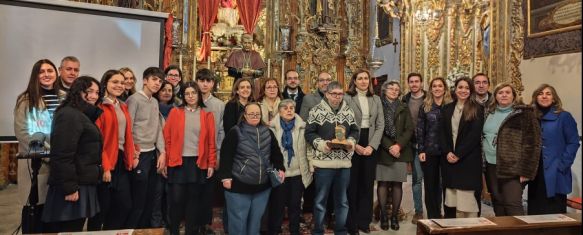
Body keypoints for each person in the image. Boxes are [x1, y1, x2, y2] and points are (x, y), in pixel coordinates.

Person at [41, 76, 102, 232]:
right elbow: (62, 154)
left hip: (81, 182)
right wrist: (69, 188)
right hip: (73, 186)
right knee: (68, 230)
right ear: (78, 91)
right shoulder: (69, 115)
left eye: (97, 92)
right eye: (89, 91)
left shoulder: (80, 114)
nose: (94, 96)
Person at [218, 102, 285, 235]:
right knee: (238, 222)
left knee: (255, 222)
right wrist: (225, 177)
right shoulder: (235, 132)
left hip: (262, 187)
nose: (255, 116)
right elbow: (226, 156)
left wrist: (280, 168)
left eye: (257, 114)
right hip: (238, 185)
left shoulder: (268, 132)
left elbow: (276, 153)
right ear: (244, 115)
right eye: (251, 114)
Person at [14, 59, 63, 233]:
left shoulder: (64, 98)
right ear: (35, 75)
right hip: (37, 165)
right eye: (41, 71)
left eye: (50, 70)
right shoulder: (25, 100)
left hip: (61, 165)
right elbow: (22, 133)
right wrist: (49, 154)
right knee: (34, 214)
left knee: (55, 217)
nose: (46, 74)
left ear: (56, 73)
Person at [305, 81, 359, 235]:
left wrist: (350, 142)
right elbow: (309, 133)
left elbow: (355, 131)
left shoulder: (348, 111)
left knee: (342, 201)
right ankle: (318, 230)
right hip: (323, 164)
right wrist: (322, 145)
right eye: (334, 94)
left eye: (340, 94)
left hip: (343, 164)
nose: (337, 97)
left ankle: (341, 230)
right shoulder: (316, 111)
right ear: (327, 94)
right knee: (320, 200)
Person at [163, 81, 217, 235]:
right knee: (176, 200)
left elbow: (211, 142)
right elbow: (167, 138)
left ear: (199, 94)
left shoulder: (207, 115)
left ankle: (191, 231)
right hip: (178, 162)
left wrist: (211, 164)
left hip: (197, 163)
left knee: (194, 201)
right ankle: (173, 231)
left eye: (193, 93)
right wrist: (166, 161)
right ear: (183, 96)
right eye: (187, 93)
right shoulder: (175, 113)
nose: (190, 96)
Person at [87, 70, 138, 230]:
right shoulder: (100, 107)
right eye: (114, 82)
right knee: (101, 209)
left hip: (121, 162)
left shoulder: (122, 106)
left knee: (124, 205)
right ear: (105, 84)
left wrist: (133, 152)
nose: (119, 85)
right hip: (105, 163)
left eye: (122, 83)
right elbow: (97, 141)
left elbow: (126, 134)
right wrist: (105, 167)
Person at [482, 83, 541, 216]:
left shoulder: (525, 113)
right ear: (495, 96)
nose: (504, 95)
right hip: (491, 165)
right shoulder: (488, 112)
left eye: (507, 92)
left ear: (514, 95)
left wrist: (526, 170)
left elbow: (532, 144)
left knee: (512, 203)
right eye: (500, 92)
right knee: (497, 201)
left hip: (513, 167)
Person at [528, 84, 580, 215]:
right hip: (535, 171)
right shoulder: (530, 116)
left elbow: (573, 142)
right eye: (540, 93)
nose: (544, 96)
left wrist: (563, 164)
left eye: (548, 93)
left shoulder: (564, 117)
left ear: (554, 98)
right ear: (535, 97)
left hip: (555, 170)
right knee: (535, 210)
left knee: (554, 211)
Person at [344, 69, 384, 234]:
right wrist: (355, 145)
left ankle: (364, 221)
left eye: (366, 78)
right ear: (354, 81)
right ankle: (351, 223)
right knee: (352, 185)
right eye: (359, 78)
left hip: (370, 141)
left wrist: (371, 146)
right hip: (353, 141)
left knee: (367, 185)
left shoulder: (376, 99)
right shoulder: (347, 98)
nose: (363, 81)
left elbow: (380, 124)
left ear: (369, 81)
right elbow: (343, 123)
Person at [126, 67, 166, 228]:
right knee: (138, 201)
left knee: (150, 199)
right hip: (138, 155)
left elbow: (158, 129)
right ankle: (131, 230)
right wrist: (133, 155)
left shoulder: (155, 101)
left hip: (152, 155)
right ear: (144, 80)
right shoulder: (134, 100)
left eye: (160, 81)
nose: (157, 83)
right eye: (154, 79)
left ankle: (143, 230)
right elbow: (127, 129)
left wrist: (162, 152)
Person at [267, 99, 312, 235]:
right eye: (285, 108)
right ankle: (274, 230)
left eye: (292, 108)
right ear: (279, 112)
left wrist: (311, 165)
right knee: (278, 204)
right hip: (280, 173)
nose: (289, 110)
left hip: (298, 172)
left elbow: (309, 149)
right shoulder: (272, 128)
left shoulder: (303, 127)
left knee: (295, 205)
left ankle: (294, 230)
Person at [440, 77, 484, 218]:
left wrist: (458, 154)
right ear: (455, 89)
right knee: (452, 200)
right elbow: (442, 134)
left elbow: (474, 136)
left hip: (468, 160)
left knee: (467, 202)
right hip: (450, 160)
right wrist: (447, 152)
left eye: (466, 88)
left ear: (471, 90)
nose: (463, 90)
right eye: (460, 87)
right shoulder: (447, 109)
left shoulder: (477, 108)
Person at [376, 81, 413, 231]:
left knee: (397, 184)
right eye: (391, 88)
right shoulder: (378, 105)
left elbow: (409, 128)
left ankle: (394, 217)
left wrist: (398, 145)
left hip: (400, 151)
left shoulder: (404, 106)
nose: (394, 91)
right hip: (383, 149)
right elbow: (377, 128)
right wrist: (388, 146)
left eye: (397, 89)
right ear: (384, 90)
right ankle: (384, 215)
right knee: (383, 183)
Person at [417, 77, 452, 219]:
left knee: (447, 185)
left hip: (447, 151)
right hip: (429, 150)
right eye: (434, 86)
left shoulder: (451, 105)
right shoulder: (425, 106)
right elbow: (420, 130)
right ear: (431, 89)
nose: (437, 88)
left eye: (440, 86)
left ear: (445, 88)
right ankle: (433, 216)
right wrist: (421, 150)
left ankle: (448, 216)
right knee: (431, 185)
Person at [196, 68, 225, 235]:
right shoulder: (189, 100)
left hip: (211, 153)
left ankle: (206, 224)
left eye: (208, 81)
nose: (204, 84)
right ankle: (193, 223)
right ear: (197, 82)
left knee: (208, 191)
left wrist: (218, 154)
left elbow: (221, 131)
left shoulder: (219, 105)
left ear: (213, 84)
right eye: (201, 80)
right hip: (193, 153)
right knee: (194, 191)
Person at [401, 72, 425, 223]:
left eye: (417, 81)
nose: (414, 84)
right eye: (411, 82)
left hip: (429, 144)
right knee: (417, 179)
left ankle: (436, 210)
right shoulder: (405, 99)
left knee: (435, 180)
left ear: (422, 83)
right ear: (408, 83)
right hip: (412, 143)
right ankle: (419, 211)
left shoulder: (428, 98)